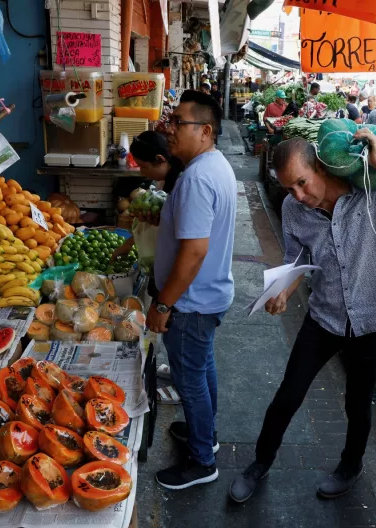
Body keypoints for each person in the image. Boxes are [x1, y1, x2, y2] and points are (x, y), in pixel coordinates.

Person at [228, 133, 376, 504]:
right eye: (289, 187)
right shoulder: (293, 209)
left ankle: (351, 465)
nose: (297, 194)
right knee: (288, 394)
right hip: (324, 317)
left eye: (301, 182)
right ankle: (260, 463)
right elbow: (296, 259)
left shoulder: (368, 191)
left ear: (320, 169)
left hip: (374, 320)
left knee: (357, 403)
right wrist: (282, 292)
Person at [150, 90, 237, 490]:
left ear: (205, 131)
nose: (170, 129)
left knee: (190, 381)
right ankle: (206, 434)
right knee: (202, 370)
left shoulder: (198, 178)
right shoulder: (214, 165)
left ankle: (202, 460)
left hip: (192, 301)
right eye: (171, 120)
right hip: (210, 295)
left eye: (178, 122)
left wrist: (163, 304)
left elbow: (195, 251)